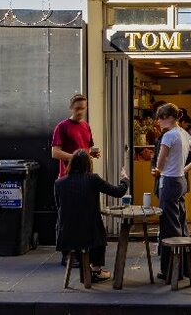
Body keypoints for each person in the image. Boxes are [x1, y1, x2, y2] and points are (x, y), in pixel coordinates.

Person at [54, 149, 129, 282]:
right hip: (90, 234)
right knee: (99, 231)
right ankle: (96, 270)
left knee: (83, 228)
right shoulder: (93, 179)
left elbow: (59, 206)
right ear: (88, 164)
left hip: (66, 234)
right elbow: (118, 192)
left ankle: (85, 269)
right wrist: (125, 179)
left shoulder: (59, 183)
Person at [152, 102, 191, 279]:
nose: (158, 122)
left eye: (160, 118)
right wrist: (184, 169)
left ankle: (170, 271)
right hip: (181, 181)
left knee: (169, 227)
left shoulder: (169, 136)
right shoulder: (184, 133)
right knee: (181, 224)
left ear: (168, 118)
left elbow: (160, 162)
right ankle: (186, 268)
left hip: (169, 182)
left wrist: (157, 171)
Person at [51, 94, 101, 267]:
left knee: (82, 217)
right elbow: (55, 152)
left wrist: (92, 153)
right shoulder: (62, 127)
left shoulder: (86, 126)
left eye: (83, 108)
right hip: (66, 178)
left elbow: (86, 147)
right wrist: (77, 157)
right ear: (70, 108)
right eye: (77, 108)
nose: (80, 112)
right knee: (67, 217)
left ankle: (80, 252)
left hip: (85, 178)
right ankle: (66, 254)